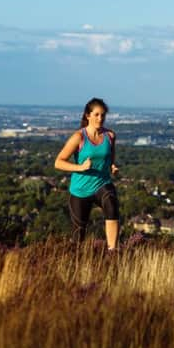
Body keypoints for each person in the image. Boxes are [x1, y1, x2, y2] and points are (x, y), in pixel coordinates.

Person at [55, 98, 120, 251]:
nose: (100, 118)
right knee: (79, 235)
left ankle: (113, 252)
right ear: (87, 116)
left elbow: (110, 158)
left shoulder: (110, 136)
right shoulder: (79, 137)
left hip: (102, 183)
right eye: (96, 115)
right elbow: (58, 162)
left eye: (103, 115)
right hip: (80, 190)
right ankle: (76, 264)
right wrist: (80, 167)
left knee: (112, 204)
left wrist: (112, 167)